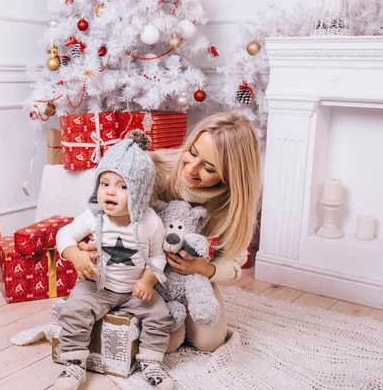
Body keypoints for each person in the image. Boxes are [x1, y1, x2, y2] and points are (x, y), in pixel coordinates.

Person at [79, 111, 262, 353]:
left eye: (209, 168)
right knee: (168, 342)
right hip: (142, 271)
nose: (192, 169)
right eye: (192, 153)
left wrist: (203, 269)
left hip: (191, 277)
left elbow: (235, 265)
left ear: (230, 176)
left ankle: (183, 309)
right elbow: (105, 205)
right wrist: (91, 238)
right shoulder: (155, 169)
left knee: (210, 343)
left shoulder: (232, 206)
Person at [54, 130, 174, 390]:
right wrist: (75, 254)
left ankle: (152, 363)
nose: (110, 192)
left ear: (141, 193)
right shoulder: (94, 216)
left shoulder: (150, 221)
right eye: (104, 183)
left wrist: (148, 279)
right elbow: (64, 234)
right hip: (97, 285)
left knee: (160, 315)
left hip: (135, 291)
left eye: (122, 186)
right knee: (74, 310)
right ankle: (73, 362)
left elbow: (157, 255)